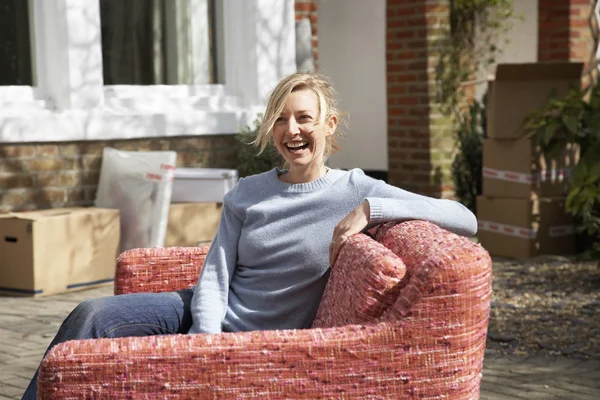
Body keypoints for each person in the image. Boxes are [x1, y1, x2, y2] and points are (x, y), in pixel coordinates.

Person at [22, 71, 477, 398]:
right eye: (280, 120)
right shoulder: (247, 192)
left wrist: (371, 209)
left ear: (329, 125)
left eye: (303, 118)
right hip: (203, 316)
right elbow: (216, 275)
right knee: (93, 314)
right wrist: (204, 340)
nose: (292, 131)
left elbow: (463, 217)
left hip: (262, 338)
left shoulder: (355, 188)